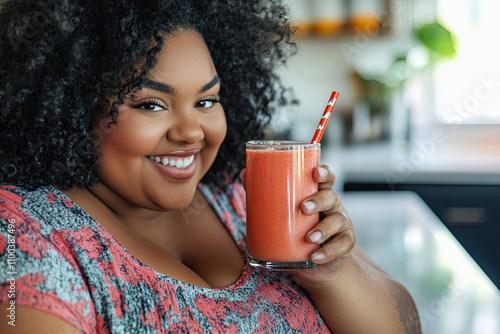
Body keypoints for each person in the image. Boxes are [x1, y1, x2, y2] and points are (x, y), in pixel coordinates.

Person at [0, 0, 421, 333]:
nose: (191, 132)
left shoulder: (242, 194)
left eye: (205, 101)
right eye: (151, 104)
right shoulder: (25, 232)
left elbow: (406, 327)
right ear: (71, 109)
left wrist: (332, 271)